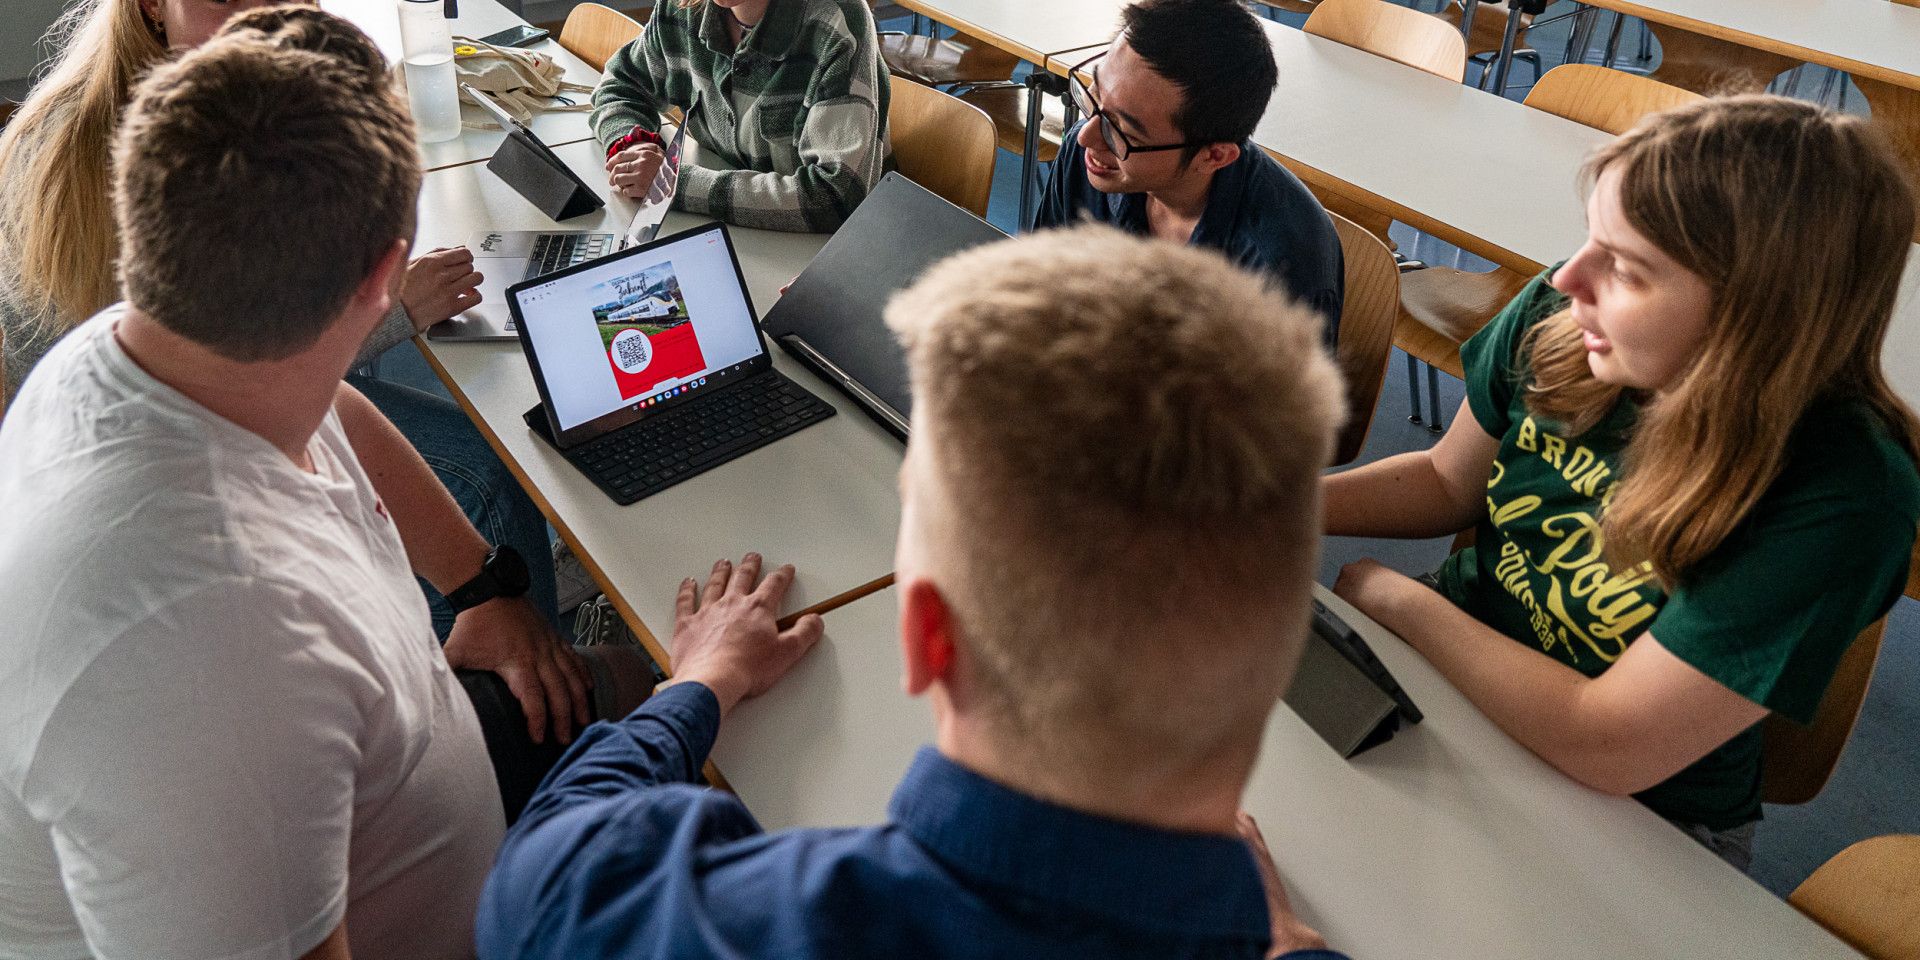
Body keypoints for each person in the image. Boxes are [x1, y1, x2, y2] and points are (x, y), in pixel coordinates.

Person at [476, 226, 1353, 960]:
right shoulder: (1265, 935)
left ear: (927, 637)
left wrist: (695, 683)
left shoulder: (710, 921)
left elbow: (540, 876)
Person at [1323, 95, 1920, 871]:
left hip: (1644, 813)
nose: (1569, 278)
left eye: (1628, 269)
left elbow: (1607, 742)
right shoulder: (1569, 323)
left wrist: (1396, 598)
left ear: (1757, 315)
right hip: (1455, 679)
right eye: (1590, 239)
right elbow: (1446, 480)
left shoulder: (1842, 494)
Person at [0, 0, 569, 680]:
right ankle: (516, 692)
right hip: (157, 469)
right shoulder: (88, 158)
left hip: (201, 406)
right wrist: (392, 309)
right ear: (152, 7)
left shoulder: (199, 102)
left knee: (466, 375)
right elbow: (211, 383)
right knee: (487, 478)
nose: (256, 15)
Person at [1034, 0, 1342, 345]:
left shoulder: (1279, 267)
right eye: (1094, 93)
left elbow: (1270, 400)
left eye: (1124, 134)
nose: (1088, 136)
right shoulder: (1088, 157)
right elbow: (1040, 301)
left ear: (1214, 156)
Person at [590, 0, 892, 233]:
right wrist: (633, 145)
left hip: (826, 248)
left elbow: (835, 197)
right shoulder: (682, 8)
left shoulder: (838, 21)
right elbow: (620, 85)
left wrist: (672, 184)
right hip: (735, 231)